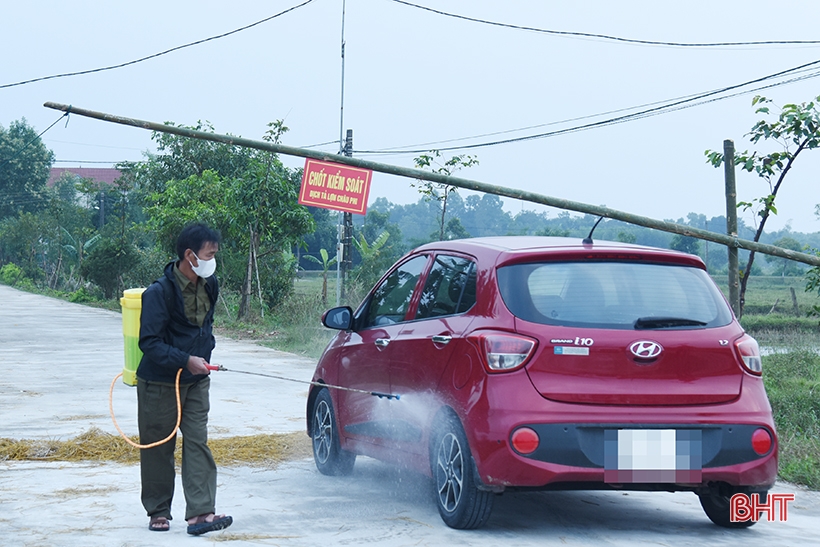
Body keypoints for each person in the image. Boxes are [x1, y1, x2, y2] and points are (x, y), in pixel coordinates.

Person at [136, 223, 233, 535]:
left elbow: (206, 327)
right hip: (159, 384)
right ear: (190, 255)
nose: (213, 259)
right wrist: (184, 360)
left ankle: (201, 512)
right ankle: (158, 511)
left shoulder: (210, 284)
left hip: (196, 381)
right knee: (158, 447)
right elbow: (148, 343)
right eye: (210, 254)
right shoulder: (158, 293)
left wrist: (203, 356)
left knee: (197, 443)